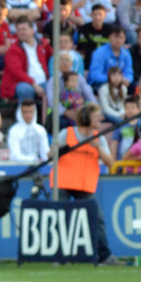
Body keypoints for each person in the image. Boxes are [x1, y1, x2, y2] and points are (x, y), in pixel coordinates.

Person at [51, 104, 119, 265]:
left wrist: (99, 149)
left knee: (97, 219)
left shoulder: (99, 138)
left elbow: (111, 163)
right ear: (86, 118)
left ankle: (104, 256)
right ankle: (60, 257)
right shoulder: (66, 133)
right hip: (63, 181)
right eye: (96, 116)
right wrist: (57, 149)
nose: (100, 119)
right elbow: (50, 154)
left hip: (84, 184)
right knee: (61, 220)